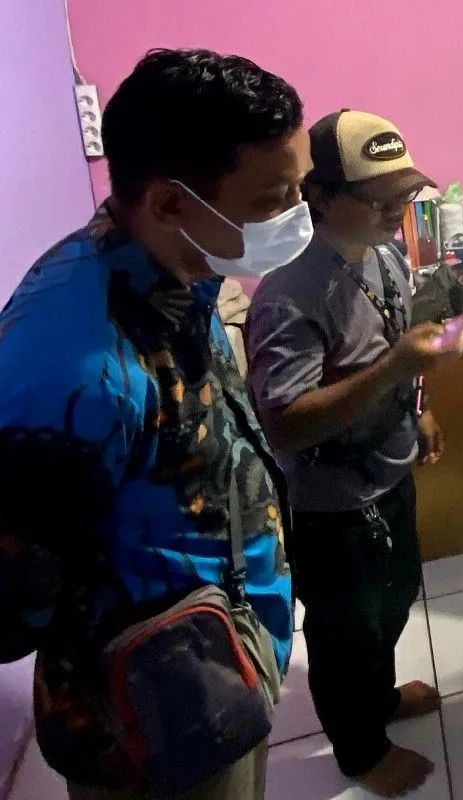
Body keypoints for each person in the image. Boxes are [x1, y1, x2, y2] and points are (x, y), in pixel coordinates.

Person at [0, 49, 305, 799]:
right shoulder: (75, 371)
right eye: (275, 197)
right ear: (169, 201)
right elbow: (10, 606)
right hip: (154, 721)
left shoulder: (179, 269)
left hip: (226, 660)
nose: (298, 212)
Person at [246, 109, 463, 798]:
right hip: (332, 505)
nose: (397, 211)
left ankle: (378, 698)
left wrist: (418, 407)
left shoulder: (386, 255)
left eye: (404, 194)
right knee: (345, 633)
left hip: (389, 475)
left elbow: (402, 341)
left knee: (395, 598)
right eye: (378, 199)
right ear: (320, 195)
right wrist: (395, 369)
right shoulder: (289, 292)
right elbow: (285, 427)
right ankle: (360, 750)